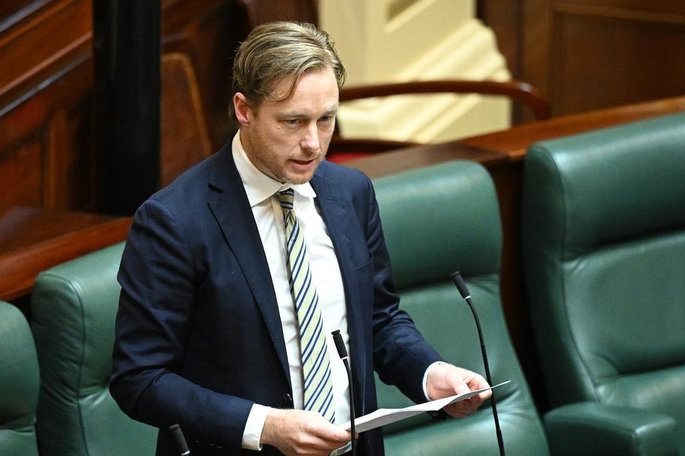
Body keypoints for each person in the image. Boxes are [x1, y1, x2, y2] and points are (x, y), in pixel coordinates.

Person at [110, 21, 491, 456]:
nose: (312, 143)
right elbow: (139, 377)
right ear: (243, 109)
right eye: (292, 122)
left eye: (325, 119)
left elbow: (378, 320)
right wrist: (263, 425)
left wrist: (429, 374)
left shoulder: (352, 194)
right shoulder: (174, 222)